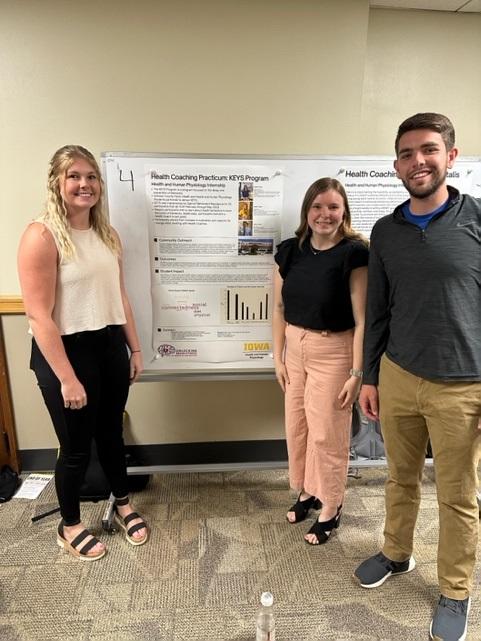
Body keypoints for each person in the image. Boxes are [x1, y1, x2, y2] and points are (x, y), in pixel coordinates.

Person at [354, 113, 481, 641]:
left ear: (451, 156)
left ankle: (455, 589)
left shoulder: (476, 220)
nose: (417, 161)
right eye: (407, 154)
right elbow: (378, 310)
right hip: (399, 375)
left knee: (458, 495)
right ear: (396, 165)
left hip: (463, 385)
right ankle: (396, 552)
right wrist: (370, 376)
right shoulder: (386, 232)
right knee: (399, 477)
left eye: (428, 150)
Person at [18, 145, 149, 561]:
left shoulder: (107, 234)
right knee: (75, 447)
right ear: (57, 182)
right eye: (74, 176)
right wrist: (67, 378)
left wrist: (134, 347)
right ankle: (70, 525)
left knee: (110, 434)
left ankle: (123, 503)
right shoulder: (41, 236)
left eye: (91, 176)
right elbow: (39, 316)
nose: (84, 184)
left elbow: (120, 297)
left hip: (108, 346)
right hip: (65, 354)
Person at [273, 177, 368, 545]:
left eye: (332, 206)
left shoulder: (354, 254)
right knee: (298, 426)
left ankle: (331, 503)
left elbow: (362, 319)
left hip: (334, 351)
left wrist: (356, 372)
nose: (324, 214)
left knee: (327, 432)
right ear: (307, 211)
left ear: (344, 212)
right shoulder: (290, 251)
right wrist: (278, 358)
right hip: (295, 349)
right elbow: (278, 307)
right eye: (317, 206)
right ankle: (307, 491)